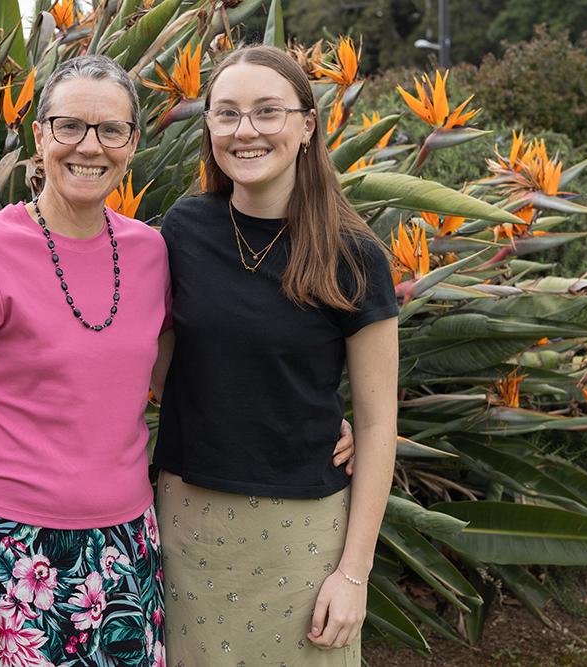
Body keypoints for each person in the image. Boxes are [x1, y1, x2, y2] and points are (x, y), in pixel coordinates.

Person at [0, 54, 353, 667]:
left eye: (110, 130)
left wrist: (318, 420)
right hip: (12, 550)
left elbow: (206, 367)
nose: (88, 147)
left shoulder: (152, 252)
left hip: (130, 550)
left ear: (132, 143)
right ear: (39, 136)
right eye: (69, 126)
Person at [153, 45, 399, 666]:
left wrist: (354, 575)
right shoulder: (181, 232)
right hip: (189, 517)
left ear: (307, 124)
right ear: (208, 127)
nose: (246, 131)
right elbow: (151, 366)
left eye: (268, 112)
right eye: (227, 113)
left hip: (303, 532)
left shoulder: (355, 255)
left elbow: (377, 423)